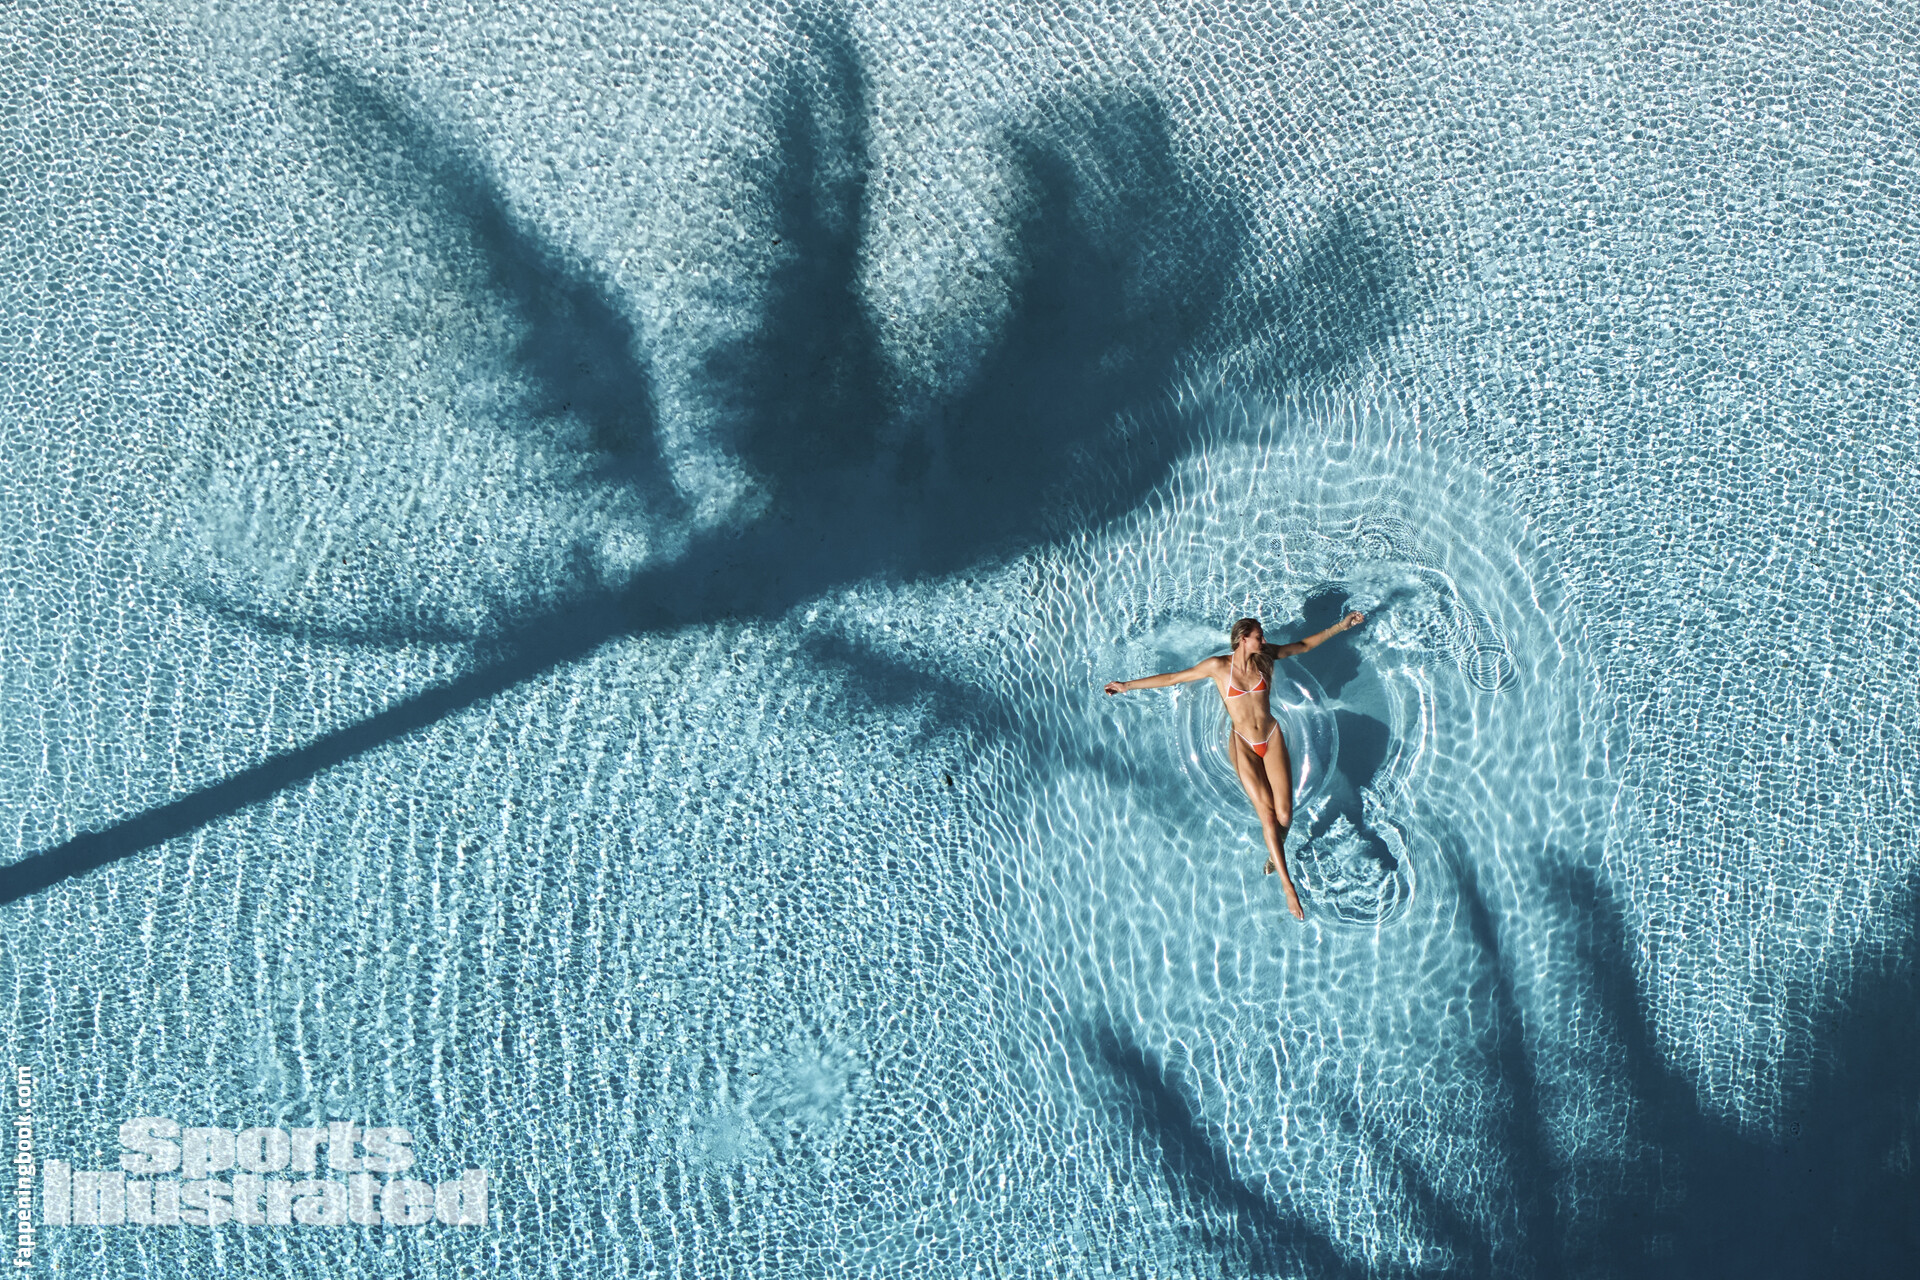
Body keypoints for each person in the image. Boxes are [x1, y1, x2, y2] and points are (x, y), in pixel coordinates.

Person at [1104, 612, 1364, 920]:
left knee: (1285, 815)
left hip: (1271, 736)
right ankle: (1288, 886)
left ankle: (1275, 852)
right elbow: (1174, 678)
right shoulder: (1217, 667)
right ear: (1243, 639)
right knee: (1268, 816)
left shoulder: (1265, 658)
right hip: (1244, 744)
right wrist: (1126, 686)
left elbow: (1303, 645)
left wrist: (1340, 626)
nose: (1264, 640)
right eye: (1258, 636)